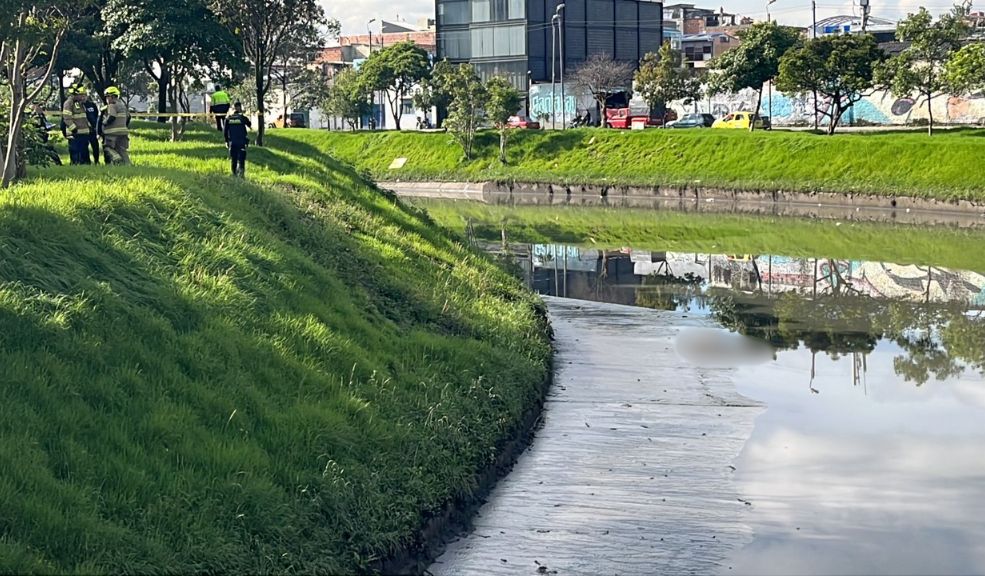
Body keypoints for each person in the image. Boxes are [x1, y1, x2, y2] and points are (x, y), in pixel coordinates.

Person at [98, 86, 131, 165]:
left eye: (107, 97)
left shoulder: (112, 105)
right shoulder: (123, 106)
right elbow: (129, 117)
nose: (106, 99)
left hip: (112, 133)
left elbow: (112, 116)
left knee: (107, 148)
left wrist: (104, 123)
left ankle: (117, 158)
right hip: (123, 133)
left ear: (112, 96)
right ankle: (127, 165)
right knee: (122, 150)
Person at [61, 86, 91, 165]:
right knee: (75, 153)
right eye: (81, 95)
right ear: (75, 94)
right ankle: (76, 165)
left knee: (84, 153)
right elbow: (67, 118)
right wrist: (74, 129)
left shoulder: (80, 104)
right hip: (74, 134)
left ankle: (86, 165)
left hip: (83, 134)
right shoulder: (68, 103)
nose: (83, 97)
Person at [223, 101, 251, 178]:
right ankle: (241, 174)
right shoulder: (242, 118)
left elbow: (225, 131)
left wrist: (226, 141)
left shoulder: (228, 118)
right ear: (239, 108)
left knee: (234, 159)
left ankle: (234, 173)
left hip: (232, 142)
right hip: (241, 141)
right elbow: (249, 124)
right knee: (241, 159)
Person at [83, 91, 101, 164]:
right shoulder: (80, 106)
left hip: (93, 129)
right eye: (82, 96)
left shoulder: (92, 105)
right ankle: (87, 162)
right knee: (85, 147)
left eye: (85, 96)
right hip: (85, 130)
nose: (83, 97)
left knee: (95, 147)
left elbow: (96, 116)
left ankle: (96, 161)